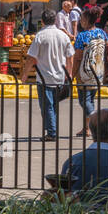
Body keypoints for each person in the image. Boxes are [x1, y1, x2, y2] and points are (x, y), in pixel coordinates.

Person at [20, 9, 75, 141]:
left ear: (42, 21)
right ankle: (52, 128)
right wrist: (70, 73)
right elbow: (70, 56)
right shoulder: (63, 36)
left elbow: (31, 58)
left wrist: (24, 76)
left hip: (44, 76)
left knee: (47, 106)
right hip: (60, 76)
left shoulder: (40, 36)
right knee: (53, 105)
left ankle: (51, 132)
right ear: (55, 20)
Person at [73, 9, 108, 136]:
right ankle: (87, 128)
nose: (80, 21)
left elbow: (78, 58)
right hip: (98, 71)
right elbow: (107, 52)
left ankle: (96, 120)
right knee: (90, 100)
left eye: (82, 19)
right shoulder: (102, 33)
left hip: (84, 73)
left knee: (84, 101)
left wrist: (72, 75)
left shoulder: (82, 36)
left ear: (87, 20)